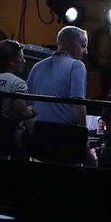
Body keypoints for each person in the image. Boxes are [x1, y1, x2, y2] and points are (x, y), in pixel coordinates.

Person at [27, 25, 90, 165]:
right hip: (66, 138)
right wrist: (84, 141)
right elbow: (78, 104)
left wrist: (34, 135)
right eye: (83, 46)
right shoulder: (77, 66)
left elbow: (28, 107)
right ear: (72, 45)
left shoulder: (36, 67)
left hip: (40, 135)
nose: (85, 51)